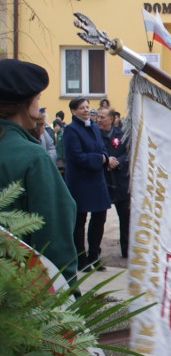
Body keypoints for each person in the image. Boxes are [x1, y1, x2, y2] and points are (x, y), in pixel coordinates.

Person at [0, 59, 78, 284]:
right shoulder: (32, 157)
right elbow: (53, 240)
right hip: (19, 297)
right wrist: (68, 300)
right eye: (38, 97)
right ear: (25, 103)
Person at [63, 97, 112, 272]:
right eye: (81, 107)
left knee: (100, 217)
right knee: (80, 220)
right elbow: (76, 156)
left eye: (87, 107)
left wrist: (104, 157)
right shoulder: (71, 130)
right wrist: (99, 159)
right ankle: (81, 259)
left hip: (97, 180)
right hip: (80, 181)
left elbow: (103, 148)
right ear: (73, 111)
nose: (86, 110)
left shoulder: (93, 127)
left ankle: (94, 255)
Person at [97, 108, 131, 258]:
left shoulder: (122, 133)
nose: (99, 120)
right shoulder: (95, 134)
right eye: (97, 117)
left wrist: (119, 161)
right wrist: (105, 161)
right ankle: (95, 251)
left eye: (102, 117)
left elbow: (129, 152)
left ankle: (127, 249)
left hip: (121, 181)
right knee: (99, 218)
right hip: (103, 180)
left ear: (111, 119)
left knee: (126, 217)